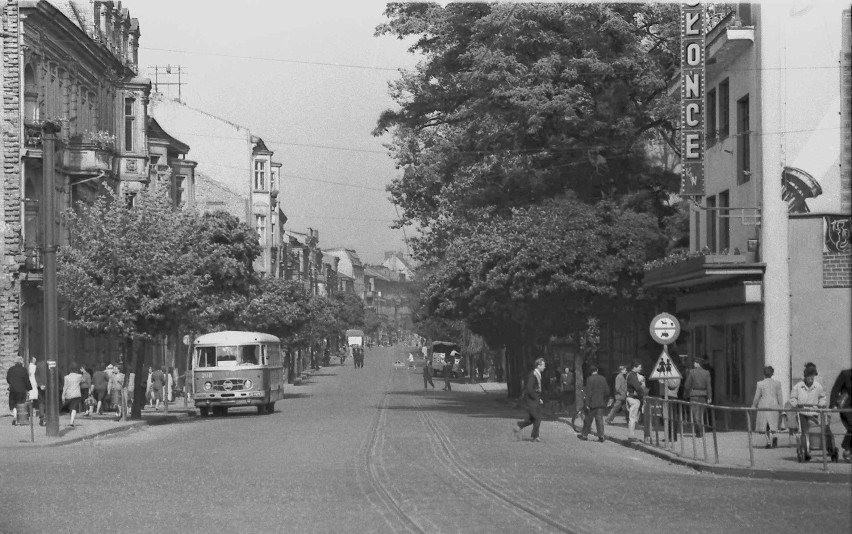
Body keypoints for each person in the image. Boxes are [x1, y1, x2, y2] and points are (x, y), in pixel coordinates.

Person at [790, 364, 838, 462]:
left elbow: (822, 397)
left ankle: (820, 445)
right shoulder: (798, 387)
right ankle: (805, 450)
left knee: (816, 430)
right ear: (805, 377)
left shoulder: (818, 386)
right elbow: (793, 398)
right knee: (804, 432)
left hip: (814, 413)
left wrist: (821, 404)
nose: (811, 379)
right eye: (809, 377)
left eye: (812, 377)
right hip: (802, 413)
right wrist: (796, 404)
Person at [513, 358, 546, 442]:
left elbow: (536, 388)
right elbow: (529, 388)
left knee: (532, 419)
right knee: (537, 417)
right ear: (538, 365)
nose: (544, 367)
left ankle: (519, 426)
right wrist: (536, 398)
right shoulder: (533, 374)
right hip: (532, 400)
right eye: (543, 365)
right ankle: (535, 436)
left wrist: (539, 398)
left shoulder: (537, 374)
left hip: (534, 398)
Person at [751, 365, 783, 449]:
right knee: (773, 424)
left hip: (763, 405)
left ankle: (768, 442)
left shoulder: (760, 384)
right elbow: (780, 396)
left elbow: (757, 396)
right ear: (772, 374)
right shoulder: (777, 383)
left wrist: (753, 405)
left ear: (763, 374)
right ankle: (775, 436)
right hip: (774, 405)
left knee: (765, 425)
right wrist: (781, 407)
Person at [578, 365, 610, 442]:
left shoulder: (589, 379)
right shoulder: (603, 378)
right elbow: (607, 391)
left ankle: (585, 435)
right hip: (601, 403)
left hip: (592, 403)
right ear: (597, 370)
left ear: (590, 372)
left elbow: (589, 393)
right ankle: (601, 436)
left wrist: (587, 404)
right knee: (600, 420)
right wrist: (604, 400)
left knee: (588, 420)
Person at [684, 356, 712, 437]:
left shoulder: (692, 372)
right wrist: (709, 397)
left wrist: (686, 394)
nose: (693, 364)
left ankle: (698, 431)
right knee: (701, 414)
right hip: (703, 395)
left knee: (695, 415)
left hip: (694, 395)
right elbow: (709, 386)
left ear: (697, 364)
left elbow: (687, 385)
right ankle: (700, 430)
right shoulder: (707, 373)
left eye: (695, 362)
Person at [829, 368, 852, 462]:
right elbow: (836, 388)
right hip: (846, 405)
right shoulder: (845, 374)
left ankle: (848, 450)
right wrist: (833, 404)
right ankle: (847, 449)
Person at [6, 357, 31, 425]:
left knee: (13, 403)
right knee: (20, 403)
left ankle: (15, 416)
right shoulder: (24, 370)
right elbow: (26, 380)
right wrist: (29, 388)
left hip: (13, 389)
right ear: (21, 362)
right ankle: (20, 419)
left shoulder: (11, 369)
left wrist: (12, 384)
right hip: (21, 389)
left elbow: (8, 379)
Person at [625, 359, 645, 441]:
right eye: (639, 367)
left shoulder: (631, 375)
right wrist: (644, 395)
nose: (641, 368)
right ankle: (631, 436)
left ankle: (631, 435)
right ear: (634, 367)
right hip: (633, 398)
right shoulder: (632, 376)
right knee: (633, 418)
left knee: (633, 418)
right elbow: (637, 388)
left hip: (631, 397)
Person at [61, 363, 83, 427]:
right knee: (74, 408)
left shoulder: (66, 377)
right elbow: (83, 380)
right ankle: (71, 421)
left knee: (71, 408)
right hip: (77, 394)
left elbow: (65, 386)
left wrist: (63, 395)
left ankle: (72, 421)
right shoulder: (79, 376)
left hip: (69, 394)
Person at [34, 358, 47, 426]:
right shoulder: (52, 364)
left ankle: (42, 417)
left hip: (41, 386)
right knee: (49, 403)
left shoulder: (39, 364)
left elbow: (36, 375)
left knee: (41, 402)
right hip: (50, 387)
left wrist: (40, 384)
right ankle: (46, 418)